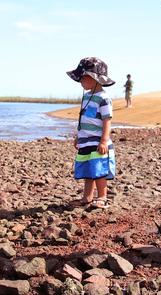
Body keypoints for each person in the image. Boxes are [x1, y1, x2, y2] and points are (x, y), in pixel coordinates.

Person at [66, 57, 116, 209]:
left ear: (94, 78)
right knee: (89, 169)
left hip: (98, 141)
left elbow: (107, 120)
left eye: (83, 77)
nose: (81, 80)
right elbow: (84, 118)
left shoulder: (104, 98)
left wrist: (104, 141)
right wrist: (78, 136)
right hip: (86, 140)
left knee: (99, 170)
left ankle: (102, 197)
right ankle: (87, 197)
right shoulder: (87, 96)